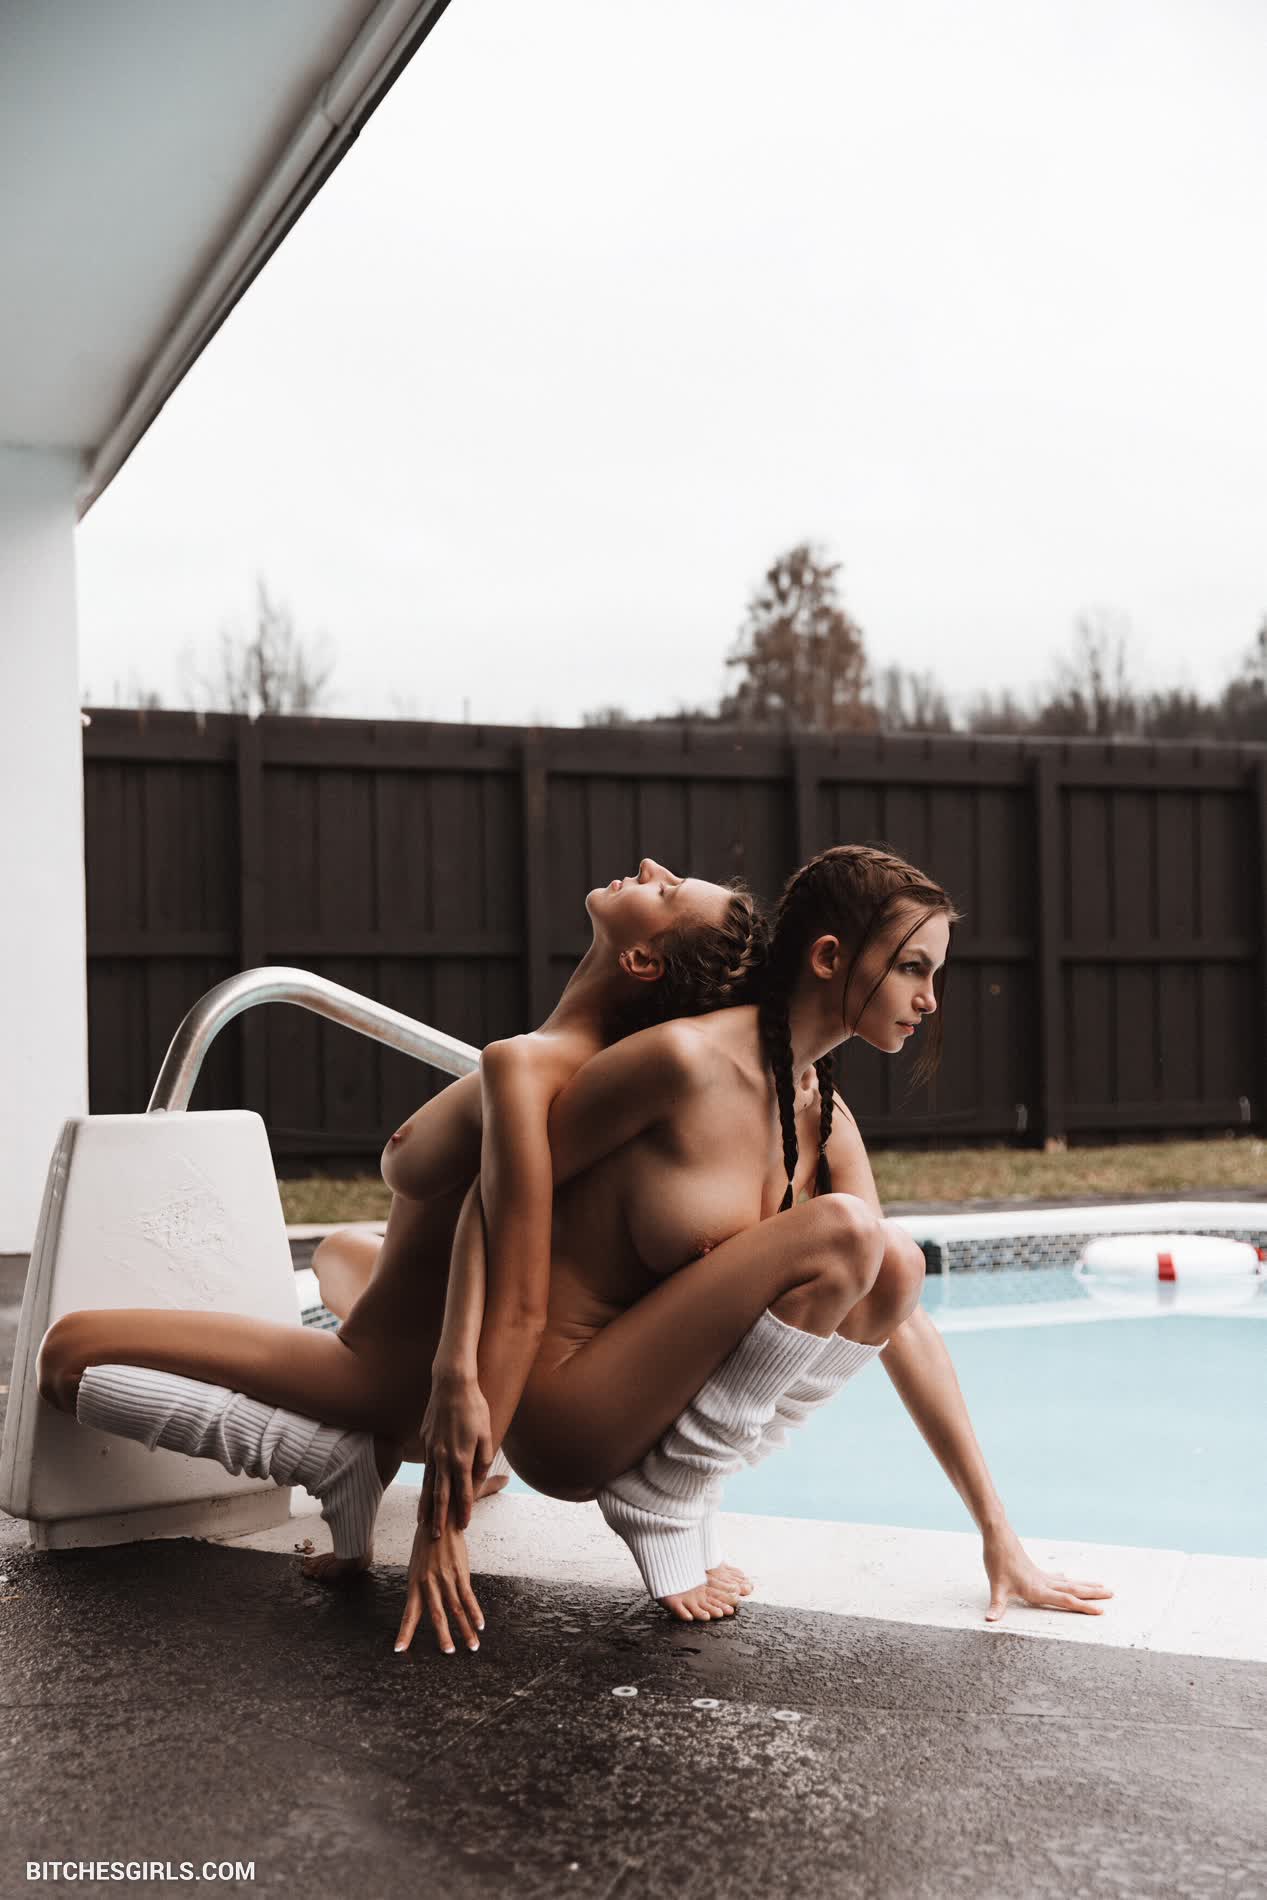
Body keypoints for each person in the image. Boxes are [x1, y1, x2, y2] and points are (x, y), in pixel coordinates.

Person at [387, 842, 1113, 1649]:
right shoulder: (681, 1061)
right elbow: (493, 1203)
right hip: (568, 1410)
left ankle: (682, 1489)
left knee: (895, 1258)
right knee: (846, 1231)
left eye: (933, 974)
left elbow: (901, 1315)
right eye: (911, 969)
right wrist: (448, 1452)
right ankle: (665, 1498)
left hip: (654, 1415)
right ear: (829, 958)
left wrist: (997, 1533)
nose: (928, 1000)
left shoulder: (821, 1108)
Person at [35, 859, 767, 1632]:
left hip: (383, 1370)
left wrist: (445, 1499)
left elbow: (519, 1293)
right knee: (340, 1248)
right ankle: (378, 1436)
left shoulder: (530, 1068)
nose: (651, 869)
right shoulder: (579, 1063)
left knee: (67, 1352)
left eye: (667, 891)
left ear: (642, 960)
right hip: (411, 1335)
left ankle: (328, 1457)